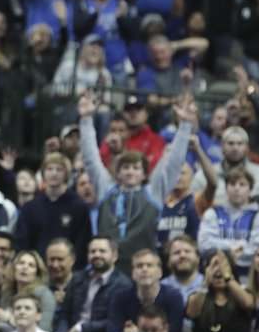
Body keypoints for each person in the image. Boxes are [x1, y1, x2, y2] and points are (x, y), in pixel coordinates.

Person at [79, 91, 194, 273]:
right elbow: (90, 159)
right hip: (107, 268)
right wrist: (86, 120)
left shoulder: (153, 192)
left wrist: (185, 125)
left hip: (142, 269)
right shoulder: (106, 190)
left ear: (144, 174)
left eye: (135, 168)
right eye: (125, 168)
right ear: (117, 173)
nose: (130, 172)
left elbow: (174, 163)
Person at [14, 153, 90, 267]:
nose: (54, 173)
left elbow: (82, 244)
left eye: (59, 169)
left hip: (69, 273)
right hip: (37, 271)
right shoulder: (31, 207)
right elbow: (22, 244)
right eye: (49, 169)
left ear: (66, 173)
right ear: (43, 173)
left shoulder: (78, 206)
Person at [197, 168, 259, 279]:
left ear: (250, 190)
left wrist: (222, 251)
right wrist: (237, 247)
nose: (237, 188)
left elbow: (258, 251)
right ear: (226, 188)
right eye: (232, 184)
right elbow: (204, 245)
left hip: (248, 279)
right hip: (215, 277)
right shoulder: (212, 213)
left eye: (242, 184)